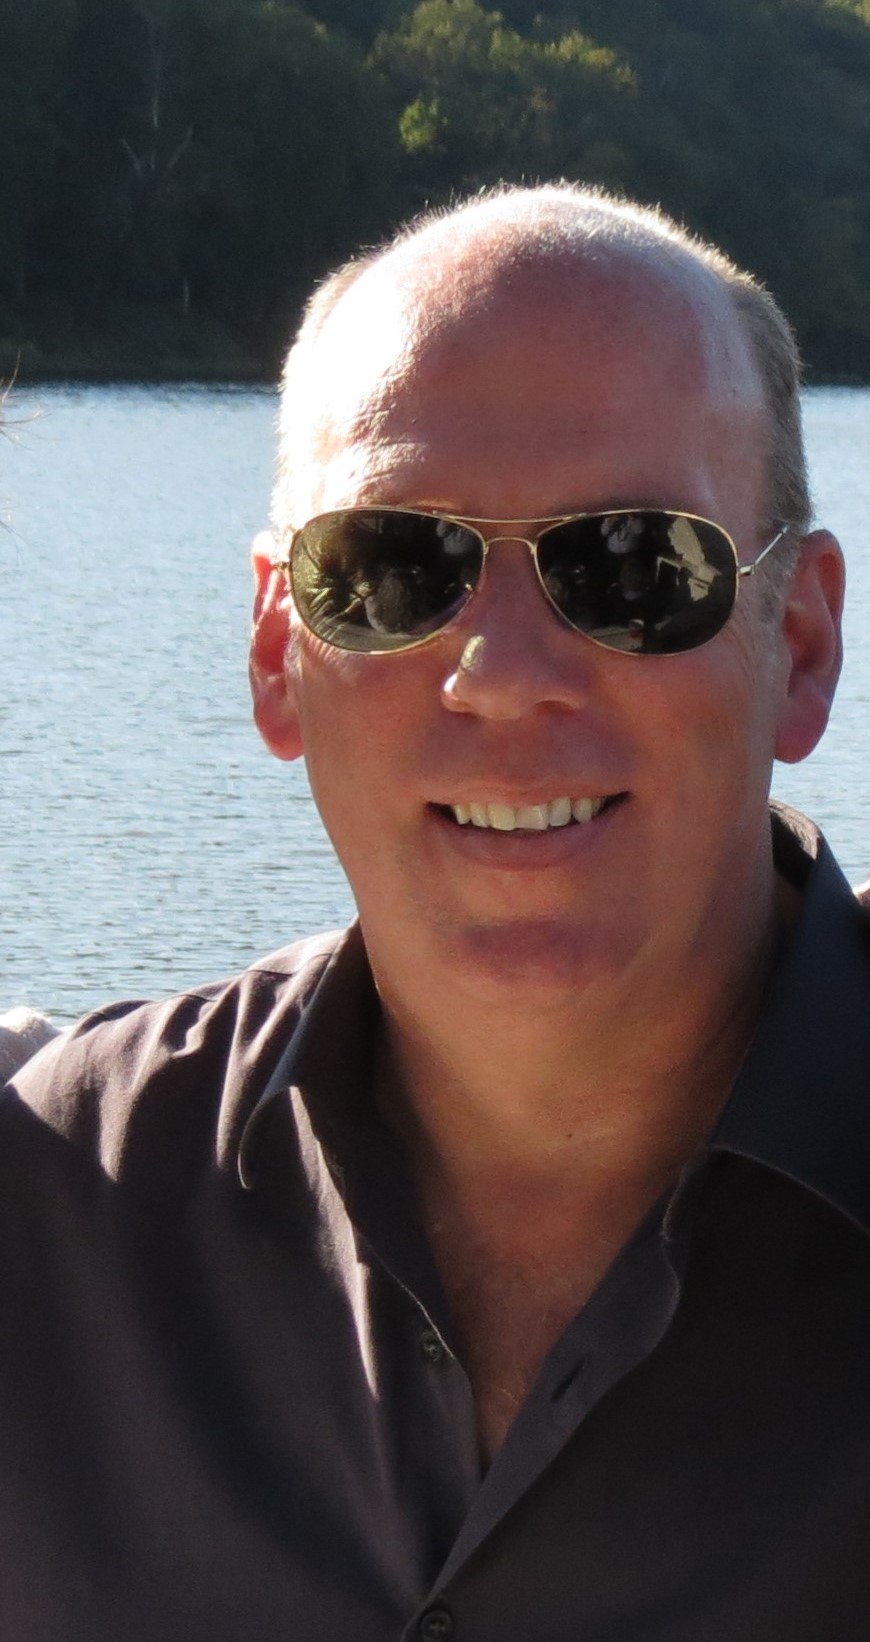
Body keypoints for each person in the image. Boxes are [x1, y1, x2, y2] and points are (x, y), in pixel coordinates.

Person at [3, 182, 868, 1640]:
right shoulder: (51, 1209)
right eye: (393, 570)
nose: (502, 673)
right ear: (277, 650)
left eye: (631, 565)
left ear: (799, 642)